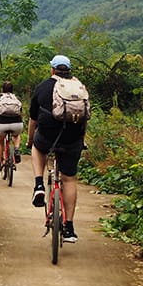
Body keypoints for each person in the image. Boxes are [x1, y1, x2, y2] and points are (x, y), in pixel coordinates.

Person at [26, 54, 88, 243]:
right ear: (69, 70)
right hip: (72, 139)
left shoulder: (43, 87)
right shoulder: (79, 87)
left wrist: (30, 141)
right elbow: (84, 118)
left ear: (52, 69)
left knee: (38, 148)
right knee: (69, 180)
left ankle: (38, 184)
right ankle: (69, 228)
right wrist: (81, 140)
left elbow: (33, 120)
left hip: (47, 136)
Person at [0, 81, 24, 172]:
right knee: (16, 135)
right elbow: (20, 112)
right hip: (17, 124)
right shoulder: (16, 98)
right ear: (12, 89)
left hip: (1, 124)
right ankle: (16, 149)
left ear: (2, 89)